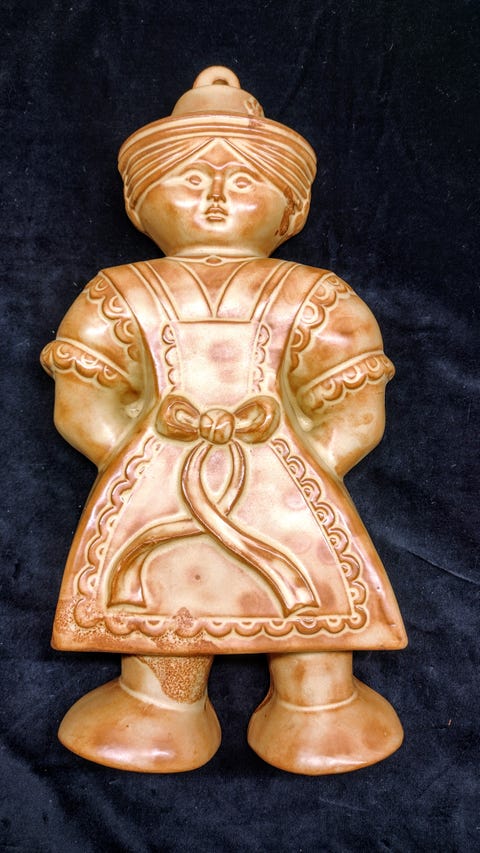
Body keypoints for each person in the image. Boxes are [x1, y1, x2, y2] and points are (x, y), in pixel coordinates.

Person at [41, 67, 407, 774]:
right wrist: (139, 460)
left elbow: (353, 402)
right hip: (161, 472)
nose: (214, 197)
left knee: (310, 600)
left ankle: (318, 707)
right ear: (141, 203)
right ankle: (162, 704)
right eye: (190, 179)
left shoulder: (316, 294)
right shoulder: (120, 291)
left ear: (290, 209)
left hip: (285, 477)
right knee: (163, 598)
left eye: (243, 181)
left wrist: (308, 469)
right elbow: (83, 396)